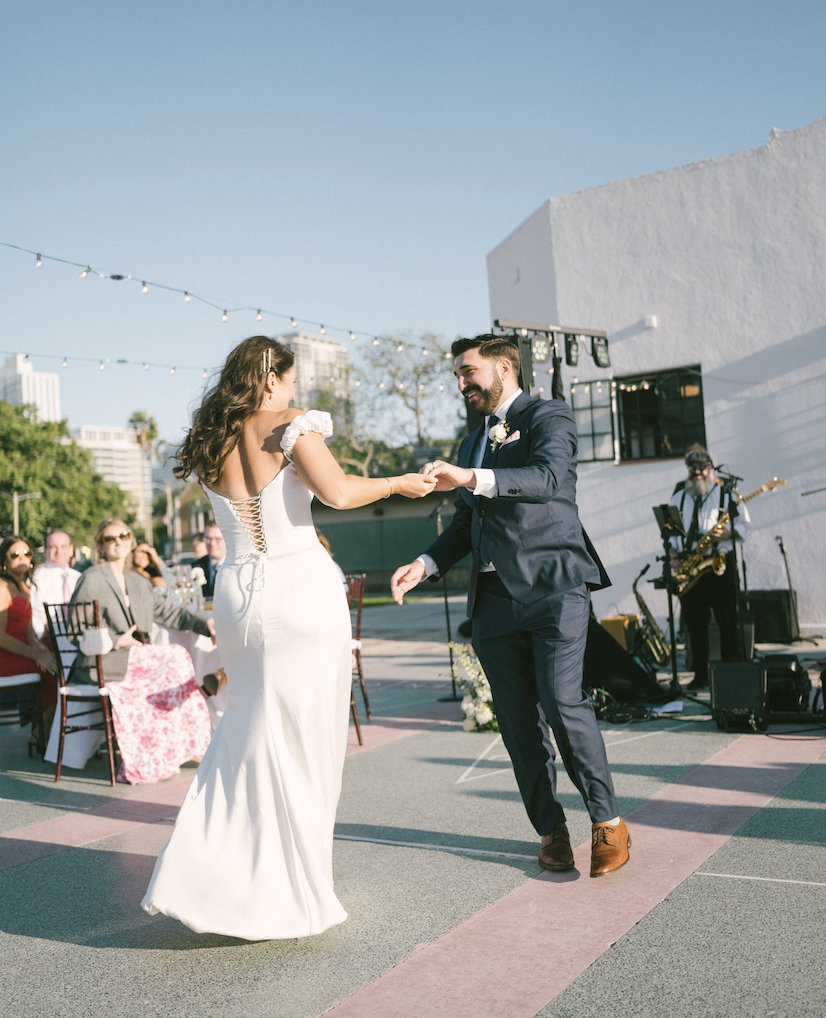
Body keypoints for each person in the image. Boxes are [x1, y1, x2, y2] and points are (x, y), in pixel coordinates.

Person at [142, 335, 435, 940]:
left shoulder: (212, 438)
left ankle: (210, 875)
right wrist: (399, 483)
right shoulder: (290, 425)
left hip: (238, 592)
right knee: (306, 741)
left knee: (248, 733)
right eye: (293, 380)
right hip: (298, 588)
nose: (298, 391)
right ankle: (295, 888)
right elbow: (338, 492)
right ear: (271, 378)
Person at [391, 335, 630, 878]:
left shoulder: (550, 416)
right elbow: (465, 521)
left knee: (563, 704)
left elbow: (547, 479)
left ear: (503, 367)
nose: (460, 384)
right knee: (519, 726)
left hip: (553, 587)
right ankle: (550, 830)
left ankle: (608, 822)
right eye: (455, 375)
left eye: (467, 372)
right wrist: (425, 564)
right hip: (495, 601)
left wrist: (471, 477)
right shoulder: (473, 439)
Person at [68, 519, 216, 783]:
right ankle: (182, 746)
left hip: (134, 659)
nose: (118, 542)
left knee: (175, 659)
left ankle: (177, 749)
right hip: (102, 662)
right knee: (174, 657)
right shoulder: (91, 578)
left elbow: (169, 612)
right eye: (110, 538)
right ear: (100, 545)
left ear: (131, 539)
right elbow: (75, 630)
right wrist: (116, 640)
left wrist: (206, 624)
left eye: (123, 535)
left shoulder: (137, 580)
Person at [668, 445, 749, 690]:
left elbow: (745, 526)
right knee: (695, 623)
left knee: (727, 620)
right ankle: (700, 675)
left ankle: (731, 672)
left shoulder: (727, 494)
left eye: (702, 467)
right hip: (691, 567)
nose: (697, 472)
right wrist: (673, 555)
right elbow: (671, 533)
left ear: (712, 468)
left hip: (718, 564)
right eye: (693, 468)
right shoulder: (679, 495)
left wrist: (726, 534)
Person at [0, 534, 58, 751]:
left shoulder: (25, 587)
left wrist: (37, 645)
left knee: (59, 656)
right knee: (57, 671)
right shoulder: (2, 587)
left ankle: (44, 726)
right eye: (14, 554)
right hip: (5, 657)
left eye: (26, 553)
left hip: (23, 651)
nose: (21, 557)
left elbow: (29, 630)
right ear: (4, 561)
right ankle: (40, 731)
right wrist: (37, 655)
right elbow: (1, 636)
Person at [30, 530, 82, 638]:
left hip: (78, 641)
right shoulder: (36, 579)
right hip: (46, 642)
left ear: (71, 550)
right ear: (45, 551)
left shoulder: (80, 578)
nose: (59, 551)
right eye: (53, 547)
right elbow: (27, 613)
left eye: (63, 546)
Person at [194, 522, 225, 598]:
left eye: (217, 539)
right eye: (208, 538)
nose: (212, 544)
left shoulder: (236, 566)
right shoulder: (196, 566)